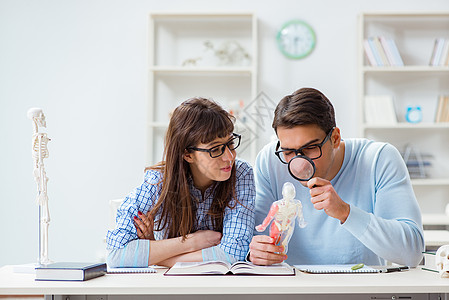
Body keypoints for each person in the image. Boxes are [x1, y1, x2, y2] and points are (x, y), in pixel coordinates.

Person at [249, 87, 424, 267]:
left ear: (335, 138)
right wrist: (254, 251)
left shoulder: (379, 159)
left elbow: (412, 254)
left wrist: (345, 212)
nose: (299, 165)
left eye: (310, 148)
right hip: (288, 290)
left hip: (357, 291)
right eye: (288, 152)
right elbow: (254, 237)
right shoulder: (270, 160)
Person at [106, 97, 255, 268]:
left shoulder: (241, 174)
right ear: (187, 154)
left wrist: (155, 255)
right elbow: (116, 254)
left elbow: (233, 254)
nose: (229, 157)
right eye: (215, 149)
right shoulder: (158, 182)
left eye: (230, 143)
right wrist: (191, 242)